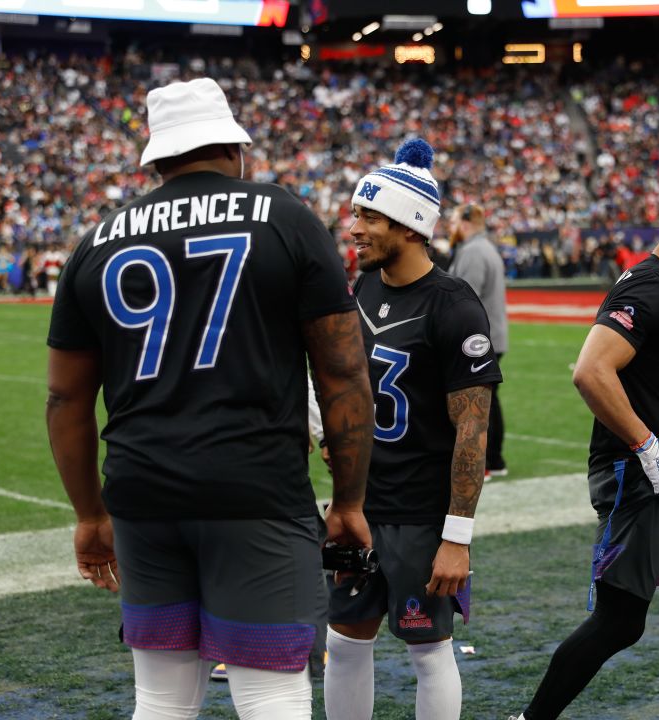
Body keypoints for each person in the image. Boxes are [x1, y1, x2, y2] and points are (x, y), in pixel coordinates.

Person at [44, 77, 375, 720]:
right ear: (233, 147)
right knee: (270, 694)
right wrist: (352, 500)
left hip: (141, 491)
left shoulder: (98, 240)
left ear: (157, 156)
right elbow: (342, 375)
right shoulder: (283, 216)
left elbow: (65, 399)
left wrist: (89, 514)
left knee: (162, 700)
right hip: (252, 489)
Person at [510, 183, 659, 720]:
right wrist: (650, 448)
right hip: (639, 473)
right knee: (621, 621)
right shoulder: (648, 286)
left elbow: (647, 375)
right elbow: (590, 371)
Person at [323, 138, 502, 720]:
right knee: (344, 642)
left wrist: (457, 536)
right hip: (361, 503)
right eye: (355, 214)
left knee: (428, 652)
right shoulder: (364, 287)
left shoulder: (454, 305)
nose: (355, 228)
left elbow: (472, 433)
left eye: (368, 216)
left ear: (408, 225)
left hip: (420, 514)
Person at [447, 203, 510, 477]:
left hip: (478, 340)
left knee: (476, 403)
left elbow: (462, 298)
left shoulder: (473, 251)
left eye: (452, 221)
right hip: (490, 337)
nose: (449, 228)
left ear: (464, 223)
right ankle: (494, 460)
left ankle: (487, 460)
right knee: (489, 401)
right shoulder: (485, 248)